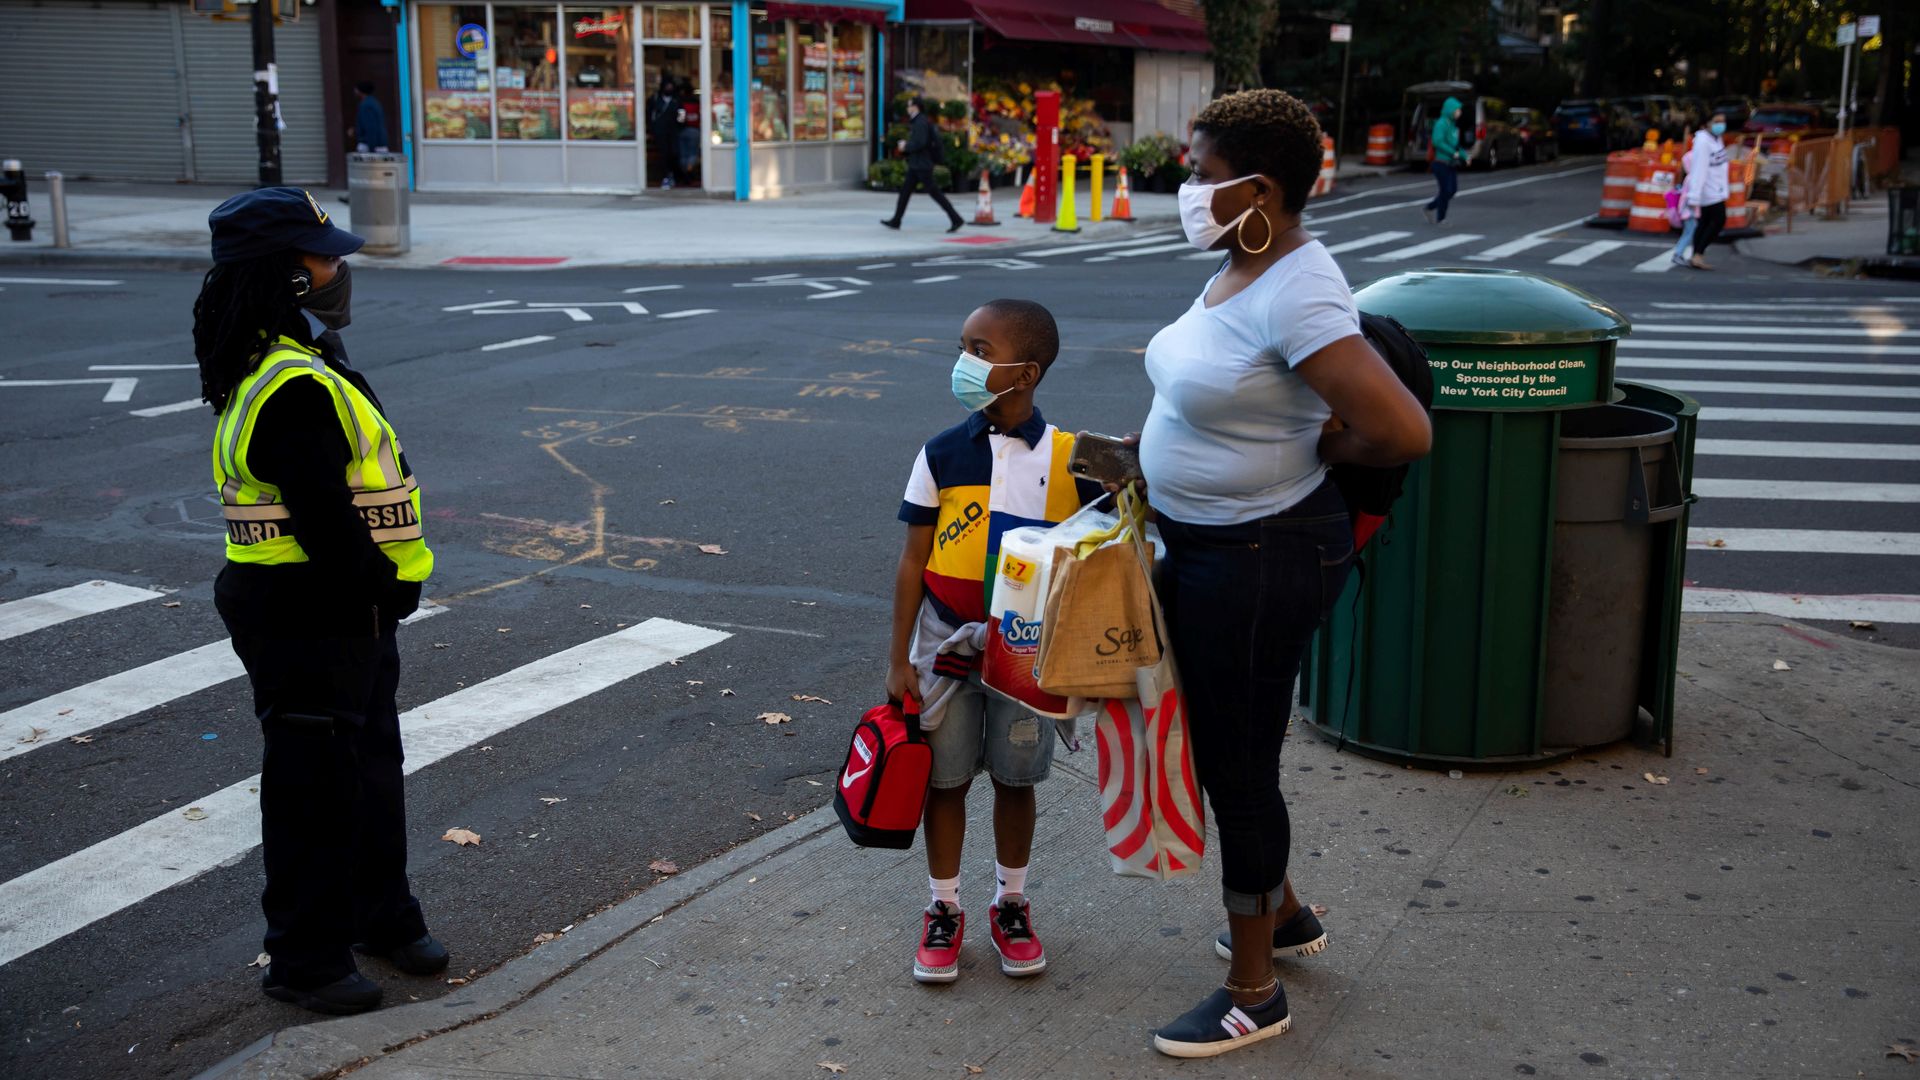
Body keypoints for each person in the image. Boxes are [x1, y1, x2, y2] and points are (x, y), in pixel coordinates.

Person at [1135, 90, 1431, 1057]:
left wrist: (1314, 452)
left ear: (1258, 189)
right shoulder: (1240, 264)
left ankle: (1255, 990)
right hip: (1208, 544)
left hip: (1261, 558)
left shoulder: (1299, 288)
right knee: (1215, 744)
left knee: (1240, 766)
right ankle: (1288, 915)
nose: (1187, 189)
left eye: (1201, 173)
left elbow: (1400, 429)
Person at [193, 187, 445, 1016]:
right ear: (287, 274)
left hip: (342, 609)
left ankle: (382, 915)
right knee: (313, 786)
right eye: (325, 254)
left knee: (370, 766)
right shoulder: (287, 384)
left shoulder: (299, 358)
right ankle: (304, 958)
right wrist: (387, 586)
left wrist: (384, 597)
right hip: (308, 609)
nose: (340, 268)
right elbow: (327, 520)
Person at [888, 299, 1101, 985]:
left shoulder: (1071, 459)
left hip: (1026, 656)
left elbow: (1116, 537)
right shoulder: (942, 453)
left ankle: (1011, 902)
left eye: (981, 350)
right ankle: (942, 908)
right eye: (964, 346)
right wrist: (899, 660)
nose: (965, 363)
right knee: (943, 782)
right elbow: (911, 561)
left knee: (1016, 779)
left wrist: (1134, 468)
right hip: (943, 646)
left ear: (1027, 371)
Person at [881, 97, 964, 233]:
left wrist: (905, 146)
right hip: (917, 164)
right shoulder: (919, 121)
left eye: (909, 105)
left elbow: (920, 142)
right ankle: (896, 220)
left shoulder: (920, 122)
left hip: (922, 165)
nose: (907, 108)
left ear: (915, 107)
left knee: (935, 193)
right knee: (905, 193)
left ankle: (956, 219)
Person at [1679, 113, 1731, 270]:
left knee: (1705, 222)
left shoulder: (1716, 139)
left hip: (1716, 187)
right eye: (1716, 121)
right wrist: (1694, 195)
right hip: (1708, 190)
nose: (1720, 125)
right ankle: (1698, 254)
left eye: (1722, 121)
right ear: (1706, 124)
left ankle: (1697, 255)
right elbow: (1699, 169)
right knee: (1718, 220)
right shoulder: (1703, 142)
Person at [1423, 96, 1467, 225]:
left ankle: (1430, 207)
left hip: (1451, 163)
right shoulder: (1441, 123)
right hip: (1440, 162)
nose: (1459, 112)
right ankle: (1441, 218)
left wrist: (1464, 156)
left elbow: (1456, 145)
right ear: (1450, 110)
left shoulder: (1453, 126)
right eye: (1457, 110)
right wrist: (1454, 153)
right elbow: (1437, 142)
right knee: (1445, 190)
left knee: (1452, 190)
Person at [353, 82, 389, 153]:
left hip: (370, 145)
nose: (355, 91)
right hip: (377, 144)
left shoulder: (366, 106)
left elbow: (370, 127)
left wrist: (372, 148)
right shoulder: (374, 103)